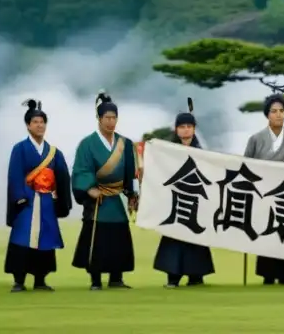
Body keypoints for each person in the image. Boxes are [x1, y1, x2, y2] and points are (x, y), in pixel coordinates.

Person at [71, 91, 139, 290]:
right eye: (107, 118)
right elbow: (81, 170)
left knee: (118, 239)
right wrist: (89, 189)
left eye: (114, 118)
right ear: (99, 119)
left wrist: (130, 194)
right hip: (98, 201)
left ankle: (116, 278)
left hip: (115, 200)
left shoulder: (124, 144)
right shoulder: (87, 144)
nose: (111, 122)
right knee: (97, 241)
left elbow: (128, 172)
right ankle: (96, 280)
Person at [4, 99, 72, 292]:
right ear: (27, 125)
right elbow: (15, 174)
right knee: (22, 237)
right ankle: (19, 280)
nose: (39, 125)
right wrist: (19, 196)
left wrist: (60, 197)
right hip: (27, 199)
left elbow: (62, 176)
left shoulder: (53, 152)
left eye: (42, 122)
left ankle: (40, 279)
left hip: (47, 201)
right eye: (35, 122)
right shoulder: (20, 148)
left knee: (45, 239)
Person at [243, 93, 284, 285]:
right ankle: (268, 275)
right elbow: (247, 168)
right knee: (268, 236)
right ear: (267, 115)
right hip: (265, 197)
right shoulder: (256, 139)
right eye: (274, 111)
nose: (278, 115)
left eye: (282, 111)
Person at [153, 106, 216, 288]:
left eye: (189, 126)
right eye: (182, 126)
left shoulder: (201, 152)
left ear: (194, 129)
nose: (186, 129)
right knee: (174, 240)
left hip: (197, 202)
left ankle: (196, 276)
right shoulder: (169, 151)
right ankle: (173, 277)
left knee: (195, 239)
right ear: (177, 129)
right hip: (175, 202)